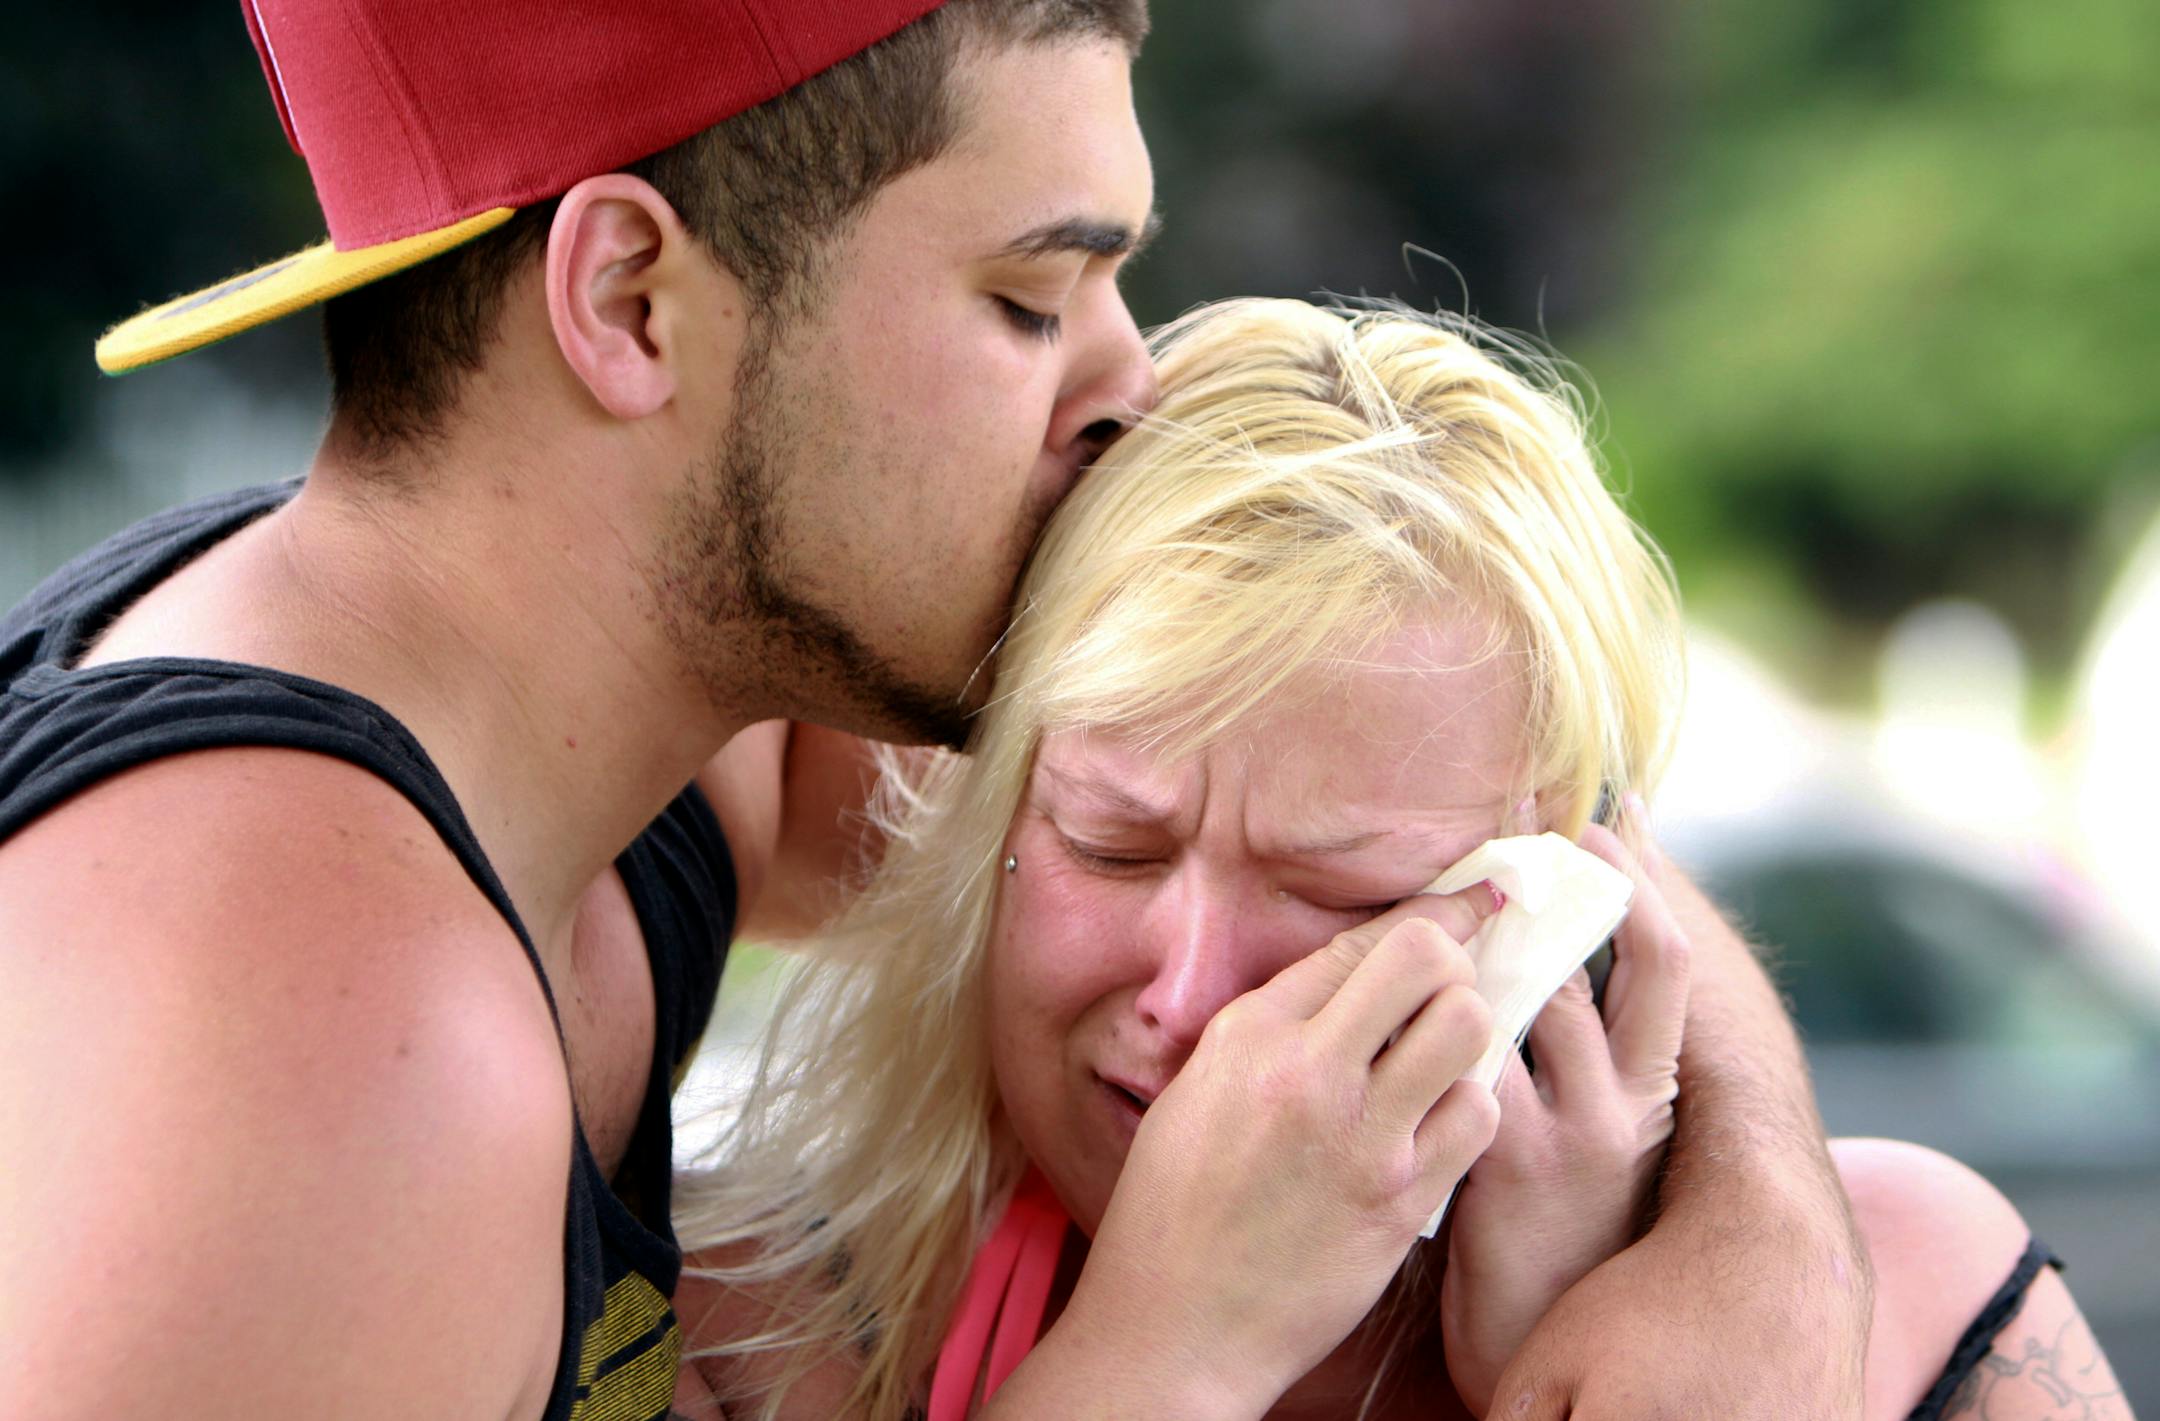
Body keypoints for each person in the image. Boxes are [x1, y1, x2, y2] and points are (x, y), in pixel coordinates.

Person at [0, 2, 2016, 1419]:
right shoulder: (306, 1026)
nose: (1124, 382)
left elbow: (1475, 784)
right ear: (627, 305)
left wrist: (1755, 1230)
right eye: (1028, 300)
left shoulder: (597, 734)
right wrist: (1169, 1347)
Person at [667, 299, 2129, 1420]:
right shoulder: (758, 1336)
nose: (1184, 993)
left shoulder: (1899, 1296)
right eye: (1111, 844)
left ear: (1541, 894)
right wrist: (1171, 1348)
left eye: (1341, 895)